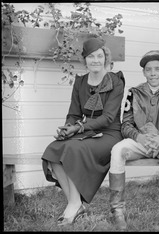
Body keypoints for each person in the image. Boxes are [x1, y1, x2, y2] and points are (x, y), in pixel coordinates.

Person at [41, 37, 125, 226]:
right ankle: (75, 203)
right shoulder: (80, 82)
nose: (96, 60)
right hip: (86, 132)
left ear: (105, 58)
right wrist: (67, 129)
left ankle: (73, 206)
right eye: (91, 56)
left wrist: (78, 128)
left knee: (72, 149)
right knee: (53, 149)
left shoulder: (115, 81)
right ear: (84, 59)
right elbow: (74, 114)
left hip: (110, 134)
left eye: (99, 56)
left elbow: (108, 118)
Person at [108, 50, 159, 231]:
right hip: (139, 141)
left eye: (158, 69)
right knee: (117, 150)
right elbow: (125, 125)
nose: (153, 73)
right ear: (143, 72)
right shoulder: (133, 93)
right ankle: (117, 211)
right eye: (148, 69)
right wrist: (139, 137)